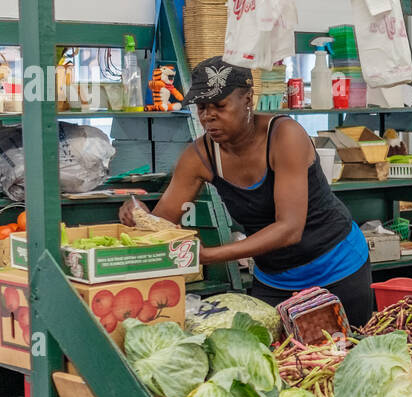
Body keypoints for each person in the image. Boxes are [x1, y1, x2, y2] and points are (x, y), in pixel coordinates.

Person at [120, 57, 374, 325]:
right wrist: (140, 216)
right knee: (276, 360)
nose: (208, 117)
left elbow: (289, 228)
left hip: (337, 270)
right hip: (274, 280)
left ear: (248, 100)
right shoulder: (200, 156)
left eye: (219, 106)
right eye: (202, 108)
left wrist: (208, 255)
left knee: (341, 355)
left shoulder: (284, 135)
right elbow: (163, 223)